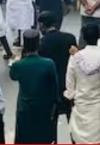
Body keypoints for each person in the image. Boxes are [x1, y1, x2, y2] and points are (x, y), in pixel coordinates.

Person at [9, 29, 60, 144]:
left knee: (25, 136)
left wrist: (18, 58)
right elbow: (54, 86)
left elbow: (13, 76)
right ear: (39, 44)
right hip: (43, 106)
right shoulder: (48, 63)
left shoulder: (19, 65)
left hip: (25, 107)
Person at [37, 11, 77, 144]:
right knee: (72, 119)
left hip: (50, 88)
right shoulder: (69, 38)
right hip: (69, 85)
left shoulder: (42, 43)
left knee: (51, 121)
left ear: (42, 25)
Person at [65, 23, 100, 144]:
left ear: (83, 37)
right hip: (99, 104)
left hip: (81, 104)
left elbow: (69, 82)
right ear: (99, 36)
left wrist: (71, 96)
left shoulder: (76, 57)